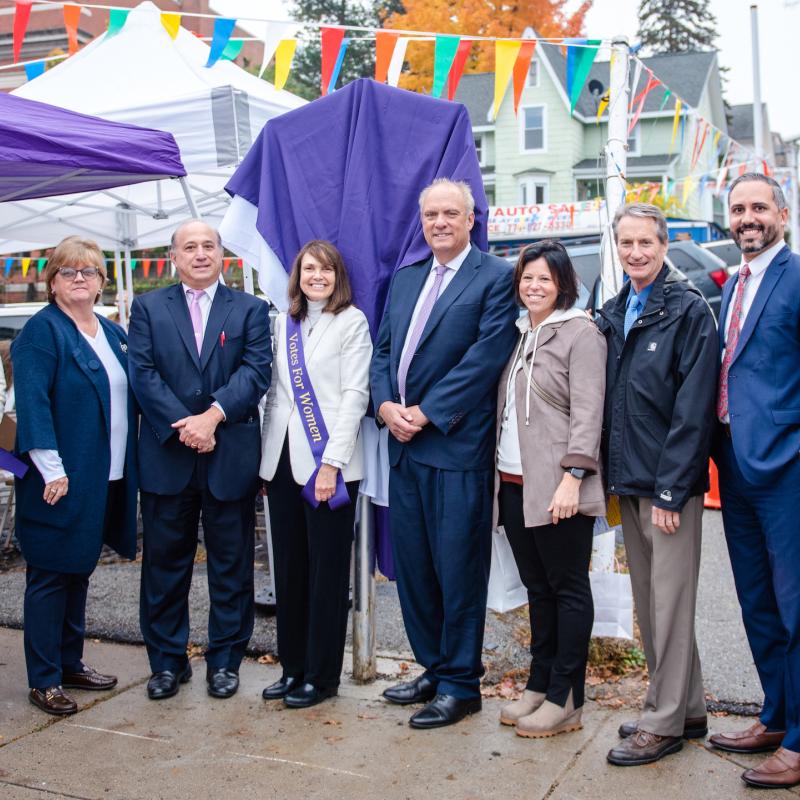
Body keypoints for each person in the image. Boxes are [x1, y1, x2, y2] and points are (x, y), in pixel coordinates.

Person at [370, 177, 518, 729]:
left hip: (454, 447)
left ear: (471, 219)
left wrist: (427, 413)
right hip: (403, 447)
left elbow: (485, 357)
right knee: (416, 568)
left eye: (450, 214)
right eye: (431, 215)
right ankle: (432, 667)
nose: (439, 223)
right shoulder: (405, 280)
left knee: (458, 569)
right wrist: (385, 405)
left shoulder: (496, 278)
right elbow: (383, 350)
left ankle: (461, 684)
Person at [128, 220, 271, 701]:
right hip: (168, 457)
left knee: (231, 568)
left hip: (229, 456)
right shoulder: (148, 307)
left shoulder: (250, 309)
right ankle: (167, 663)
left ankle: (225, 661)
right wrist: (186, 427)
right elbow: (143, 374)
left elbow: (256, 372)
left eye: (208, 245)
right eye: (189, 247)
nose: (200, 253)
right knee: (165, 567)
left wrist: (210, 418)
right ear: (174, 257)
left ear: (222, 254)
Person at [596, 203, 718, 766]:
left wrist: (672, 490)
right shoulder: (615, 311)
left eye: (646, 243)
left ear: (665, 245)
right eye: (627, 244)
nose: (636, 253)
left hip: (669, 489)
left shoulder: (688, 311)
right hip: (630, 480)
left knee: (669, 603)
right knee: (653, 603)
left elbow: (693, 411)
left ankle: (663, 720)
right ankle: (687, 707)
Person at [11, 236, 137, 715]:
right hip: (60, 477)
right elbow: (33, 404)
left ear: (102, 281)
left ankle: (69, 662)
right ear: (53, 282)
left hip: (104, 474)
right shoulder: (43, 332)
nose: (79, 278)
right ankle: (44, 679)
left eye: (88, 272)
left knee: (78, 568)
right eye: (68, 271)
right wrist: (52, 470)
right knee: (50, 576)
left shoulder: (109, 331)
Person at [707, 173, 800, 789]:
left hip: (786, 464)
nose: (747, 217)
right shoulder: (734, 283)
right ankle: (774, 714)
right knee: (757, 601)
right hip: (733, 466)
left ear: (783, 215)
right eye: (738, 208)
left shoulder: (794, 278)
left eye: (759, 207)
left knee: (796, 607)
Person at [493, 240, 606, 738]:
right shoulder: (522, 333)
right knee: (538, 590)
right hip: (515, 482)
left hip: (560, 485)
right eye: (527, 277)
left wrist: (573, 479)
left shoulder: (580, 333)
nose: (534, 286)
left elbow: (588, 411)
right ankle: (539, 686)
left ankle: (567, 697)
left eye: (544, 278)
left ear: (563, 284)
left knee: (568, 590)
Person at [259, 240, 371, 709]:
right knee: (288, 570)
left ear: (337, 275)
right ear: (298, 276)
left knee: (326, 574)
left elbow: (354, 395)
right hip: (282, 461)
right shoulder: (282, 323)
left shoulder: (352, 322)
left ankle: (322, 677)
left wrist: (332, 464)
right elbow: (275, 395)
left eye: (326, 270)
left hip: (329, 465)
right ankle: (293, 667)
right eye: (309, 269)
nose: (317, 277)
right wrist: (265, 462)